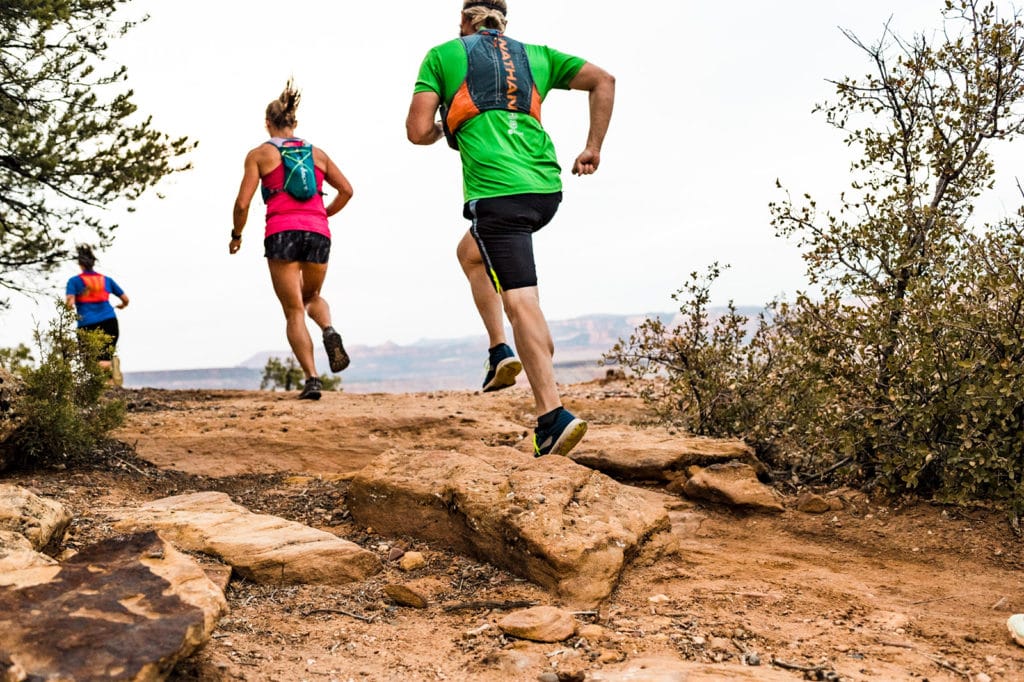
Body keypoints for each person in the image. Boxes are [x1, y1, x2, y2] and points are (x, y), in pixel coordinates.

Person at [406, 0, 615, 456]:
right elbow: (604, 80)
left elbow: (417, 130)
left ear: (465, 20)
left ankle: (552, 415)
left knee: (521, 301)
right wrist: (592, 147)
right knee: (470, 254)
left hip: (498, 194)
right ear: (504, 20)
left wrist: (449, 123)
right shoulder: (536, 54)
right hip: (545, 187)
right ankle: (502, 349)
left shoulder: (443, 55)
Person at [231, 79, 354, 401]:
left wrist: (237, 235)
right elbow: (348, 191)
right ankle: (328, 328)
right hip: (317, 231)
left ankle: (312, 378)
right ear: (294, 123)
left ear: (267, 123)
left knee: (293, 310)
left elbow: (243, 203)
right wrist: (322, 215)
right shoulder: (318, 154)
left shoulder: (259, 155)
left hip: (281, 232)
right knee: (312, 295)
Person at [65, 244, 129, 385]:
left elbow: (69, 303)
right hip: (109, 321)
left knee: (90, 360)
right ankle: (111, 372)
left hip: (87, 324)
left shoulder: (74, 281)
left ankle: (106, 381)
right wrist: (122, 306)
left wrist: (69, 310)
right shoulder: (106, 280)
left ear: (80, 263)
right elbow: (125, 299)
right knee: (104, 356)